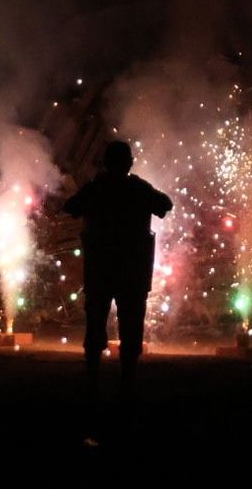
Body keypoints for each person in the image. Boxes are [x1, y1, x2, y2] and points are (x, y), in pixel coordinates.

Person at [62, 140, 172, 422]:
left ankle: (93, 382)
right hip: (132, 273)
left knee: (96, 325)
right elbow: (165, 204)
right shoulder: (138, 188)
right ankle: (127, 385)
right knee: (131, 327)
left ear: (105, 162)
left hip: (100, 271)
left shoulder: (96, 188)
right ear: (129, 163)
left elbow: (71, 206)